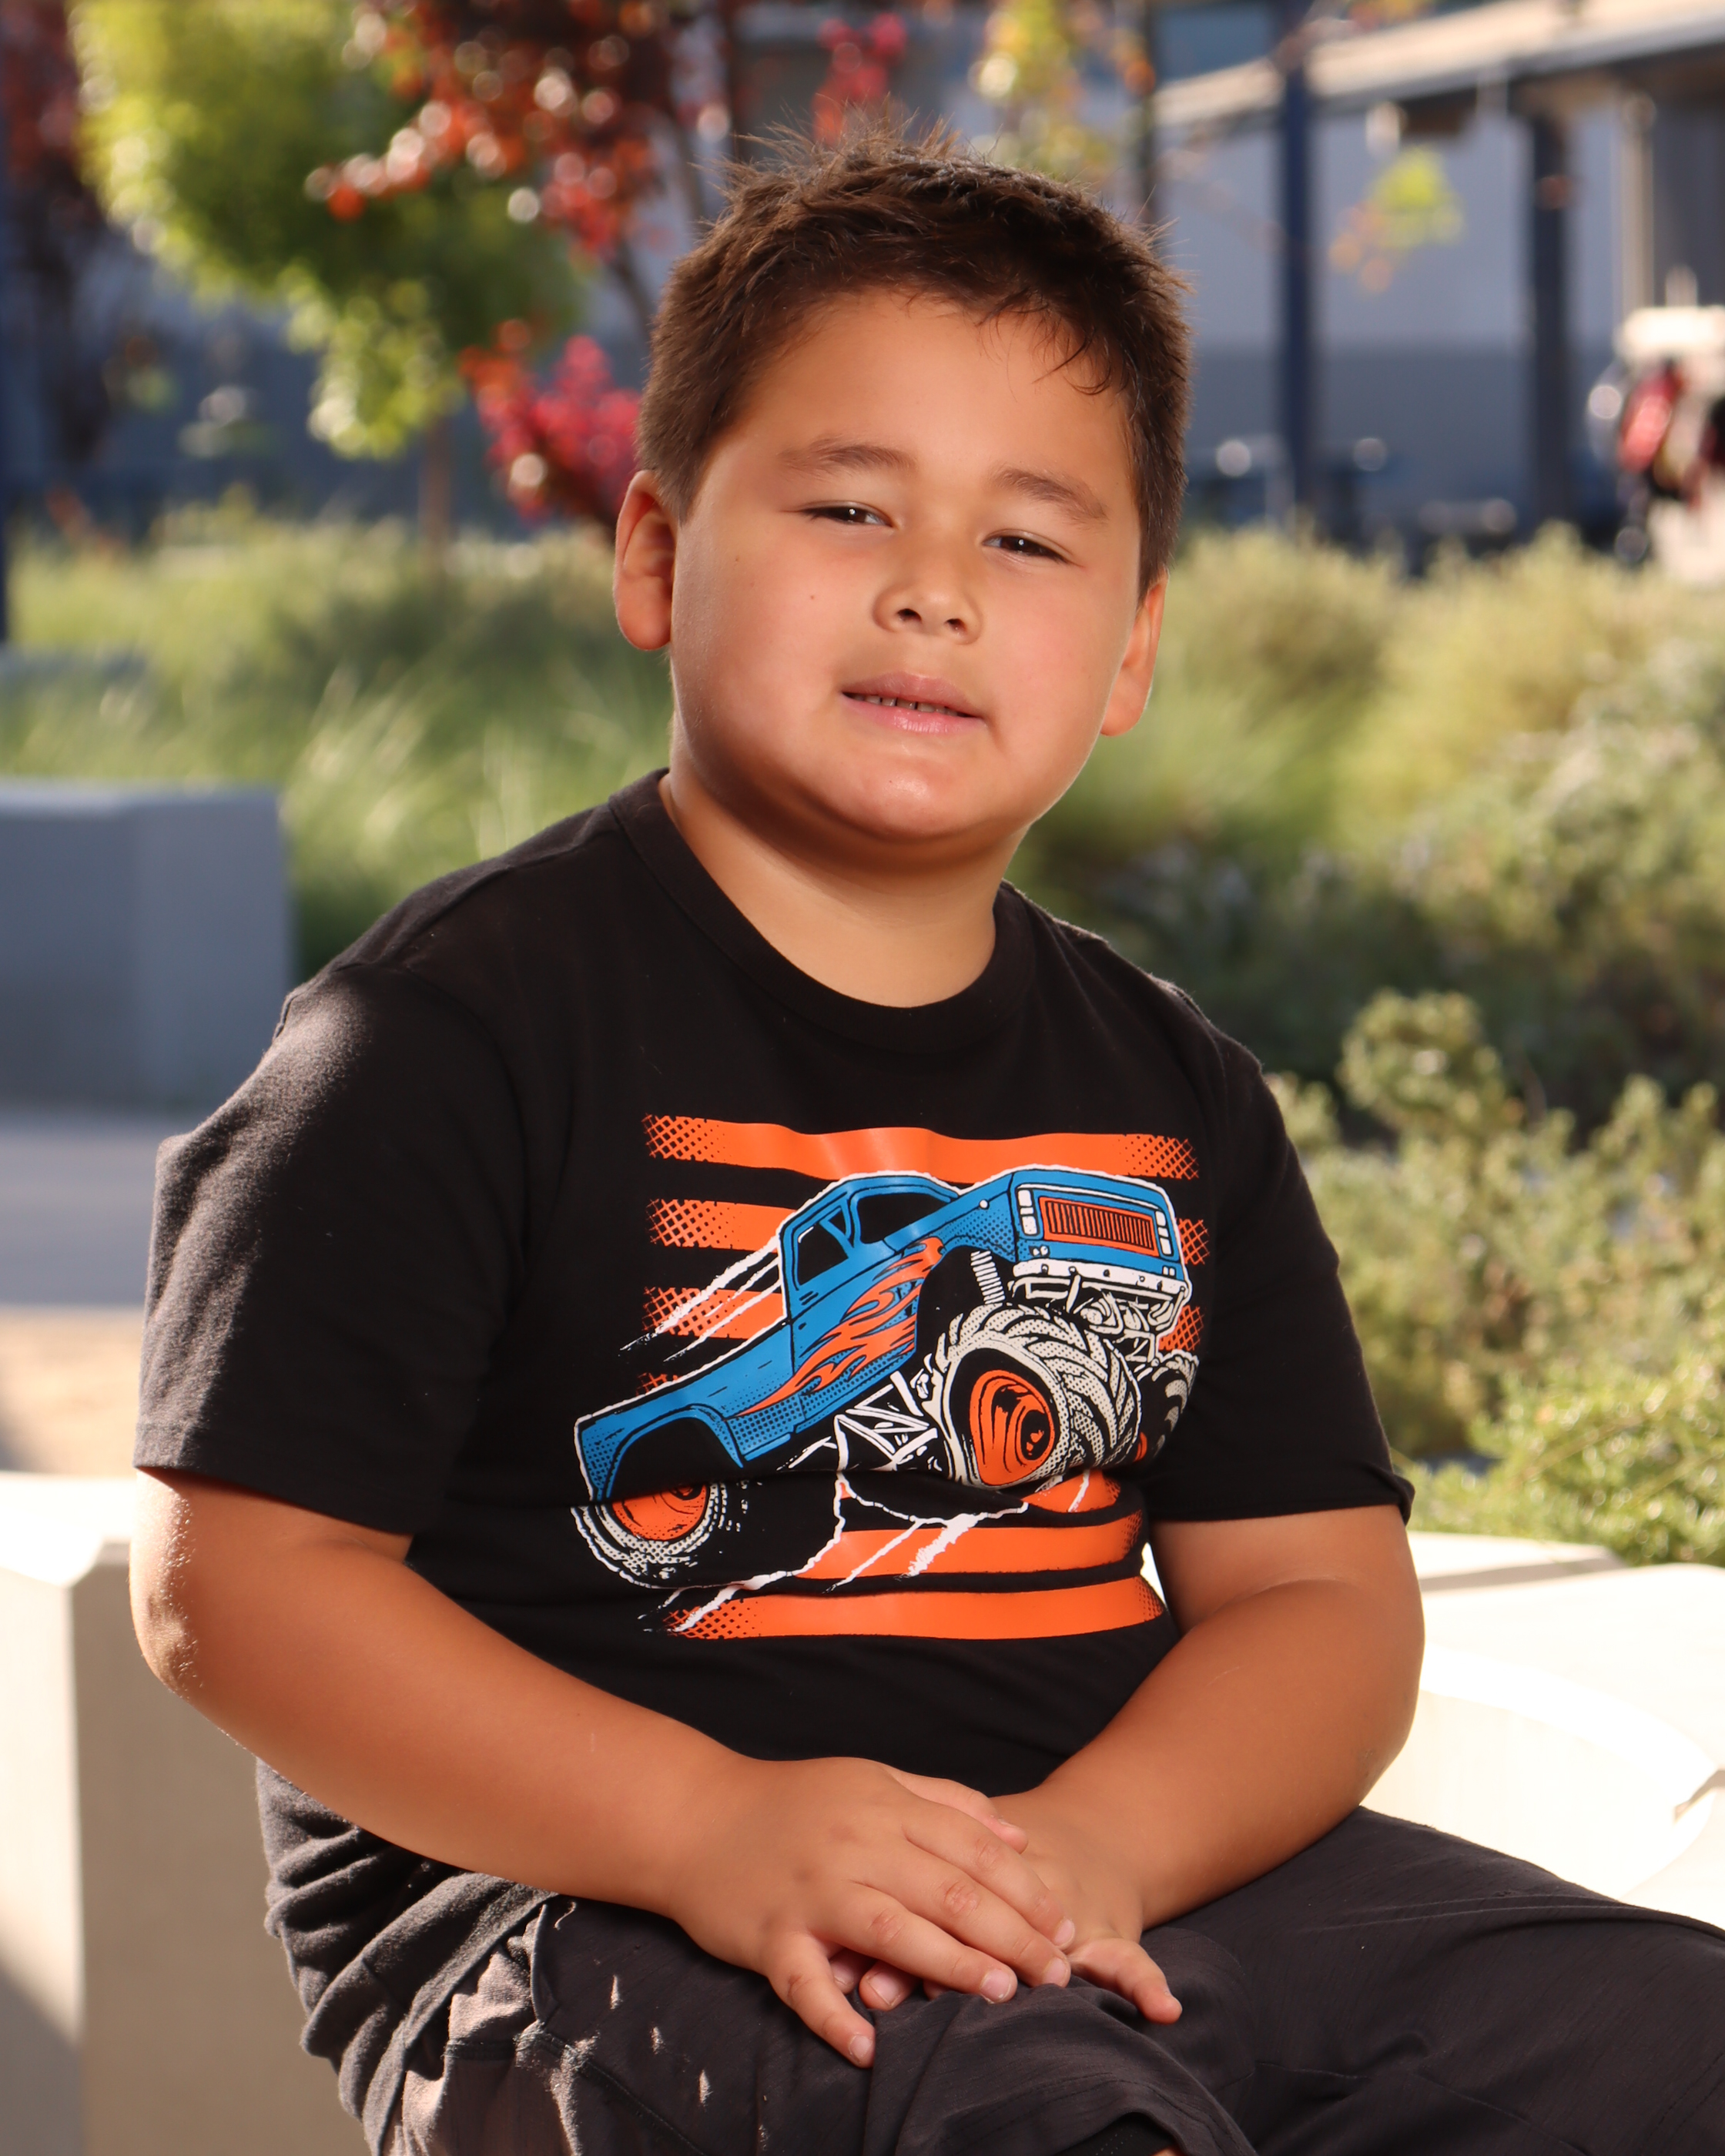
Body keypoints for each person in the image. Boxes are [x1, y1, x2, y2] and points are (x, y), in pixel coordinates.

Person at [130, 126, 1724, 2156]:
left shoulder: (1173, 1096)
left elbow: (1317, 1601)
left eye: (1031, 543)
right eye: (849, 505)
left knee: (1671, 2038)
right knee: (1032, 2115)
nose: (933, 591)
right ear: (654, 554)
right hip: (593, 1910)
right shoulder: (445, 1038)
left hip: (1099, 1877)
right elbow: (239, 1585)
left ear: (1132, 648)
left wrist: (1098, 1850)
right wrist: (706, 1824)